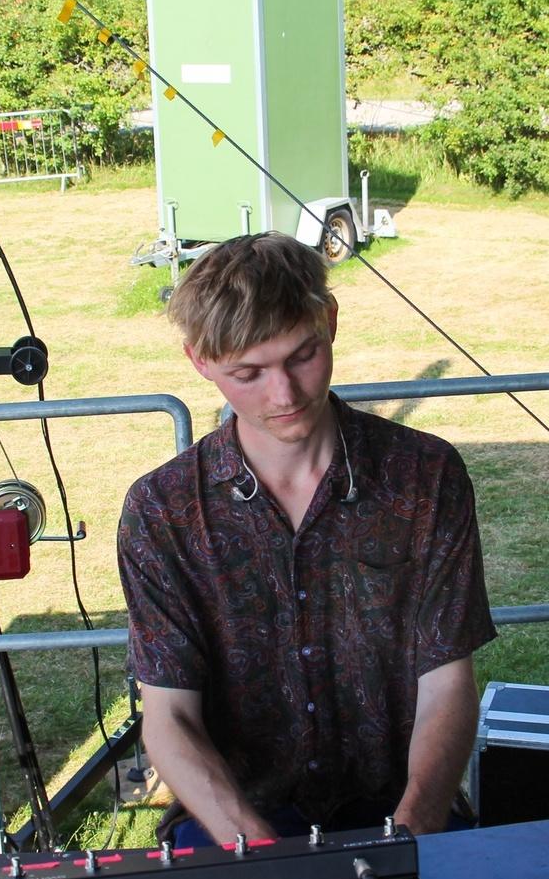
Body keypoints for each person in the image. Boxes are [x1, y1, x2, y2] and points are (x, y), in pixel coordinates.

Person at [117, 233, 496, 847]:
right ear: (200, 362)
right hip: (234, 816)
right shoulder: (163, 511)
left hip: (401, 806)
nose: (284, 395)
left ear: (332, 321)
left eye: (302, 356)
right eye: (248, 373)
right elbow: (169, 717)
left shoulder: (426, 477)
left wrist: (413, 828)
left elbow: (447, 682)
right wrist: (262, 855)